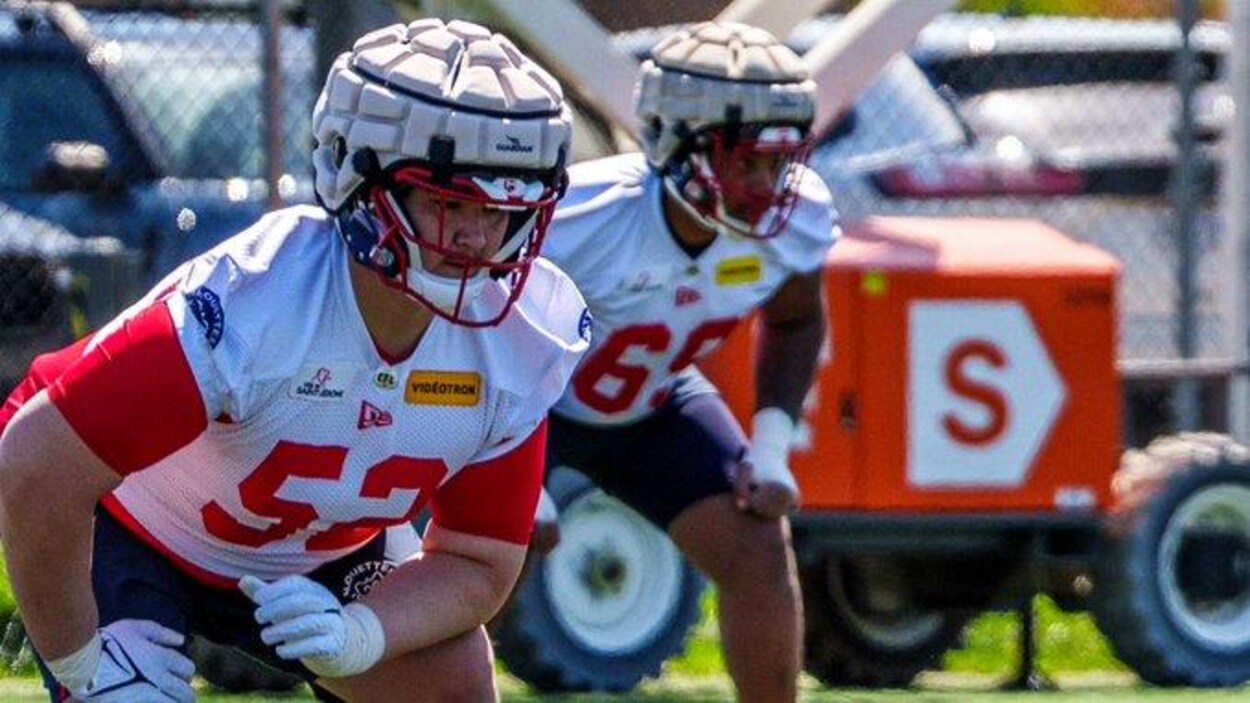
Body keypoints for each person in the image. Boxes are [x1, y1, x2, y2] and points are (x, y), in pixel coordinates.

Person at [0, 17, 588, 703]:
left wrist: (361, 633)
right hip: (134, 527)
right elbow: (37, 463)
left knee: (452, 684)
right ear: (358, 177)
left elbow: (478, 560)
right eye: (446, 199)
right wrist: (78, 660)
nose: (476, 236)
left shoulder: (524, 334)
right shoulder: (256, 302)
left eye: (504, 208)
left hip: (316, 554)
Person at [534, 21, 837, 702]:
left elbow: (795, 319)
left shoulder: (796, 219)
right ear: (676, 143)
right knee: (493, 551)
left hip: (652, 400)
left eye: (777, 162)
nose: (766, 184)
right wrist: (506, 464)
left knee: (758, 543)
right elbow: (479, 328)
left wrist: (771, 449)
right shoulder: (581, 215)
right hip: (532, 408)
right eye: (745, 161)